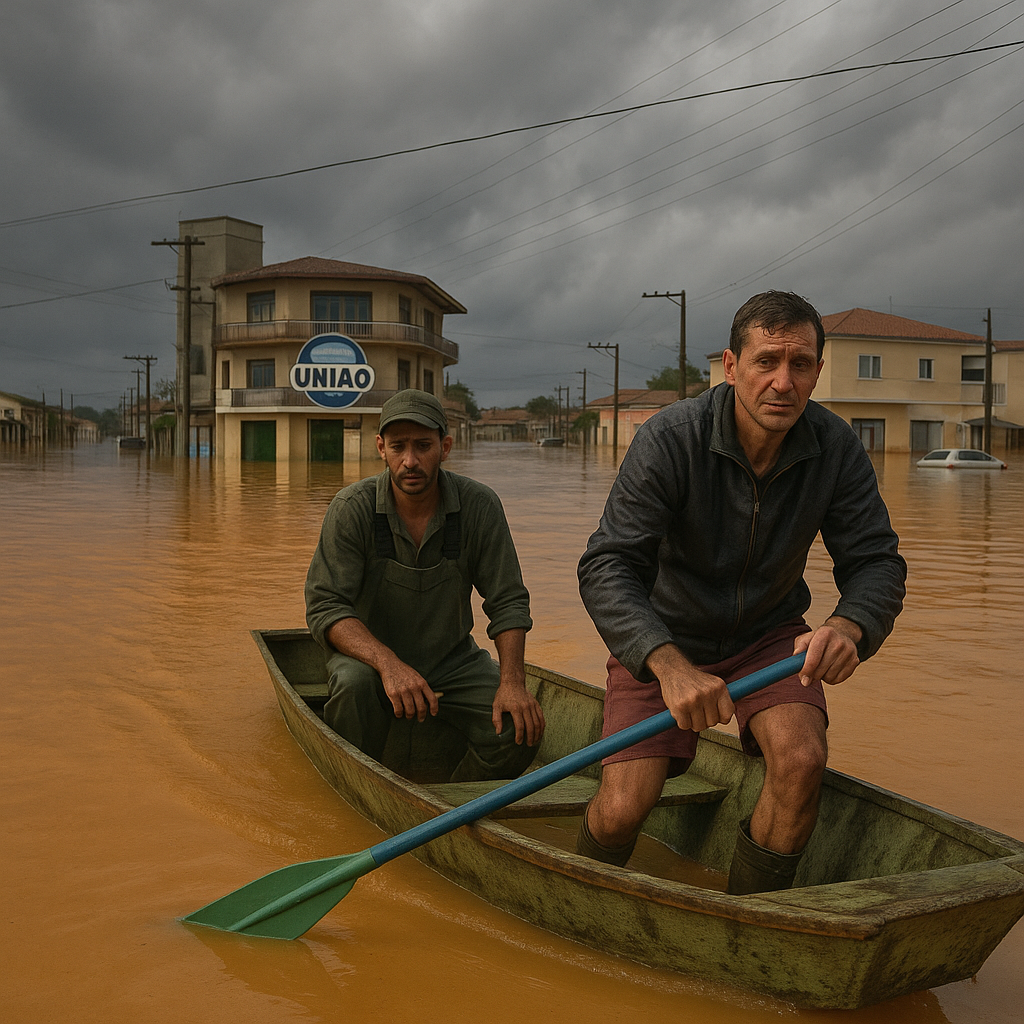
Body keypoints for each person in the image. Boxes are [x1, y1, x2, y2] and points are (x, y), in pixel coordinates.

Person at [576, 290, 906, 894]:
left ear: (817, 371)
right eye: (766, 362)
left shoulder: (835, 447)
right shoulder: (670, 438)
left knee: (802, 762)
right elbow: (608, 564)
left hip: (768, 639)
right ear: (731, 367)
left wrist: (849, 626)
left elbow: (876, 562)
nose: (783, 382)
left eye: (800, 364)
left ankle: (748, 917)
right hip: (664, 638)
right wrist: (666, 664)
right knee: (623, 807)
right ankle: (580, 900)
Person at [305, 389, 545, 782]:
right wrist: (389, 665)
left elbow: (508, 601)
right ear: (381, 449)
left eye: (423, 446)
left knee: (518, 730)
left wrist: (513, 682)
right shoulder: (352, 508)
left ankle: (454, 802)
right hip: (367, 662)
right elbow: (326, 606)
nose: (410, 461)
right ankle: (359, 785)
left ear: (444, 447)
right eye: (398, 447)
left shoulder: (479, 506)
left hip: (452, 662)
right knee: (352, 685)